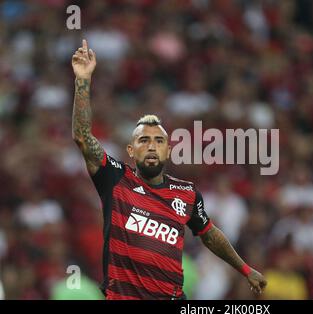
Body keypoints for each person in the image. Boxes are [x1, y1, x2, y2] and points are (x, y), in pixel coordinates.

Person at [71, 39, 267, 300]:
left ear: (168, 151)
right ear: (131, 151)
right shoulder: (116, 178)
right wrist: (82, 80)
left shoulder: (185, 193)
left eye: (158, 141)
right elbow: (83, 137)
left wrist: (244, 269)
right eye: (144, 140)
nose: (152, 146)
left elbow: (209, 234)